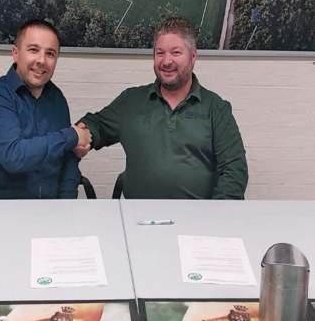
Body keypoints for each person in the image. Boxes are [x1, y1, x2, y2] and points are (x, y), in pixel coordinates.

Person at [78, 17, 248, 199]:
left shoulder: (216, 108)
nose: (166, 61)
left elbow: (234, 170)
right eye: (160, 53)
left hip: (198, 215)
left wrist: (217, 212)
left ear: (193, 57)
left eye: (176, 52)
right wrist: (82, 135)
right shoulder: (131, 101)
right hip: (139, 214)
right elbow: (96, 125)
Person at [0, 19, 90, 199]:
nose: (41, 60)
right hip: (0, 209)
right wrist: (72, 136)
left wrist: (67, 204)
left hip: (50, 209)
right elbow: (14, 156)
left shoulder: (57, 98)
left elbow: (68, 160)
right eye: (33, 50)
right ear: (16, 53)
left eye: (50, 53)